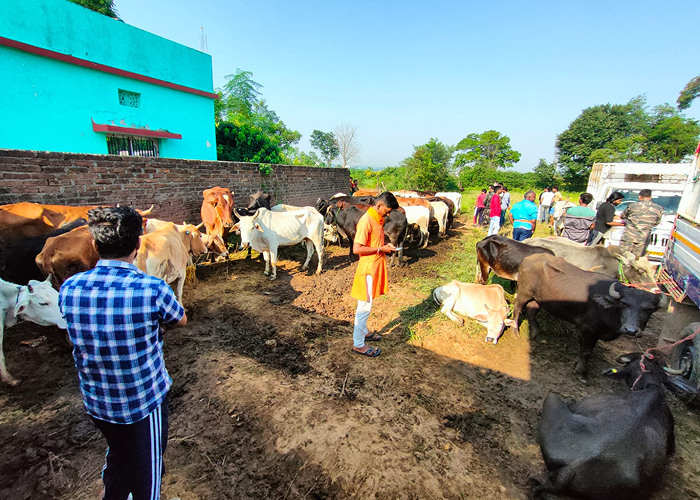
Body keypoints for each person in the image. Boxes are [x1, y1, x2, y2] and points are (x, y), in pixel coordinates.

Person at [59, 206, 187, 500]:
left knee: (118, 455)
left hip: (98, 402)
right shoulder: (152, 288)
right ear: (139, 242)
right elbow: (179, 319)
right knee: (148, 467)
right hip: (143, 403)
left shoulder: (69, 288)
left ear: (94, 244)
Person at [351, 192, 399, 357]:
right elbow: (357, 249)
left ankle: (364, 333)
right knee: (364, 306)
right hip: (368, 270)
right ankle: (358, 344)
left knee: (367, 304)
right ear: (378, 206)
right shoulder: (366, 221)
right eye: (387, 210)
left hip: (374, 267)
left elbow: (374, 242)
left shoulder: (378, 219)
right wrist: (381, 249)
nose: (388, 213)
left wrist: (385, 245)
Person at [620, 189, 664, 258]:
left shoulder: (632, 206)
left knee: (624, 258)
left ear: (640, 196)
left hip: (629, 237)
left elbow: (623, 216)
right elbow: (656, 222)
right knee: (638, 261)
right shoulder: (658, 208)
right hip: (643, 239)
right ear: (651, 196)